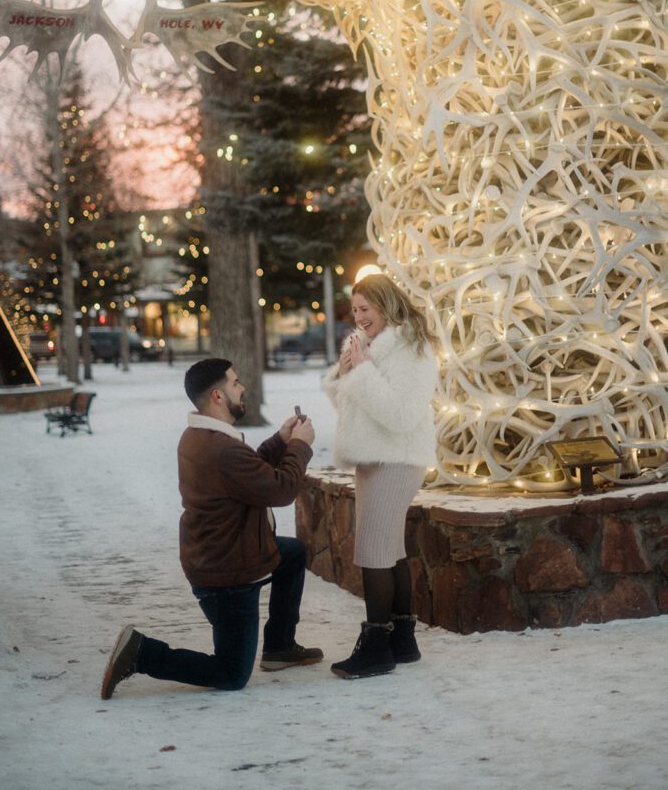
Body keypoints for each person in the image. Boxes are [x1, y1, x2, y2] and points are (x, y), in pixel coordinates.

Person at [100, 357, 323, 698]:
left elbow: (250, 474)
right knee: (232, 674)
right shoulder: (221, 450)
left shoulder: (200, 435)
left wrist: (279, 441)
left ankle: (279, 646)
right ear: (218, 397)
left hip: (221, 556)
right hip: (228, 578)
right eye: (235, 383)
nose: (243, 387)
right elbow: (280, 489)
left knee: (291, 554)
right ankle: (141, 652)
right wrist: (300, 446)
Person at [323, 274, 438, 679]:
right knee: (389, 548)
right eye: (354, 310)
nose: (358, 317)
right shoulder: (367, 347)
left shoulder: (412, 351)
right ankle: (402, 640)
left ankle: (376, 647)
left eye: (365, 309)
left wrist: (363, 372)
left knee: (373, 548)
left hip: (398, 458)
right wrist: (344, 373)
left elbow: (401, 416)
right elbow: (353, 407)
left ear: (386, 305)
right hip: (372, 458)